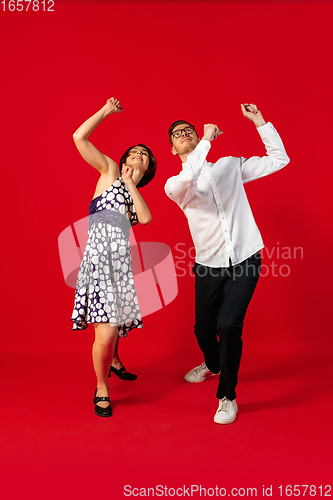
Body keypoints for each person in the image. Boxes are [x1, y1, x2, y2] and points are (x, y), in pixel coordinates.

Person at [165, 103, 289, 424]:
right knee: (203, 329)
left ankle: (227, 396)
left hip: (245, 257)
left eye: (188, 130)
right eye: (178, 135)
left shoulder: (230, 166)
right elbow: (190, 174)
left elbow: (279, 159)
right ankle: (212, 363)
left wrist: (259, 121)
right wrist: (205, 141)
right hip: (208, 265)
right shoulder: (176, 185)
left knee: (228, 324)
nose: (185, 135)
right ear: (173, 148)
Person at [71, 97, 157, 417]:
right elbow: (79, 138)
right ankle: (102, 385)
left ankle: (116, 360)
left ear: (147, 170)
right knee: (106, 332)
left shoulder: (134, 193)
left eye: (144, 156)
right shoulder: (107, 170)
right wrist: (106, 112)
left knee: (114, 322)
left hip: (121, 264)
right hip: (98, 261)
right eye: (134, 152)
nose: (137, 155)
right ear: (122, 159)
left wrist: (131, 183)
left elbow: (145, 219)